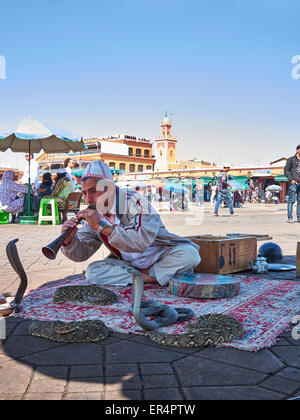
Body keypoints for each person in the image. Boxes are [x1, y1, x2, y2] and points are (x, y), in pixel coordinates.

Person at [60, 161, 201, 287]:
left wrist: (101, 227)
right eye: (84, 193)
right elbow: (82, 253)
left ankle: (141, 276)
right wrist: (69, 241)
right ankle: (152, 277)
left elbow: (139, 241)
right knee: (93, 272)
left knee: (190, 255)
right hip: (130, 265)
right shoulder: (95, 212)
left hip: (159, 256)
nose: (88, 199)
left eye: (93, 191)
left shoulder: (134, 201)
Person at [284, 145, 300, 222]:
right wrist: (291, 180)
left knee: (299, 201)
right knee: (291, 200)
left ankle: (299, 218)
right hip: (293, 183)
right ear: (297, 150)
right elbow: (286, 171)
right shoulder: (291, 159)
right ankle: (290, 218)